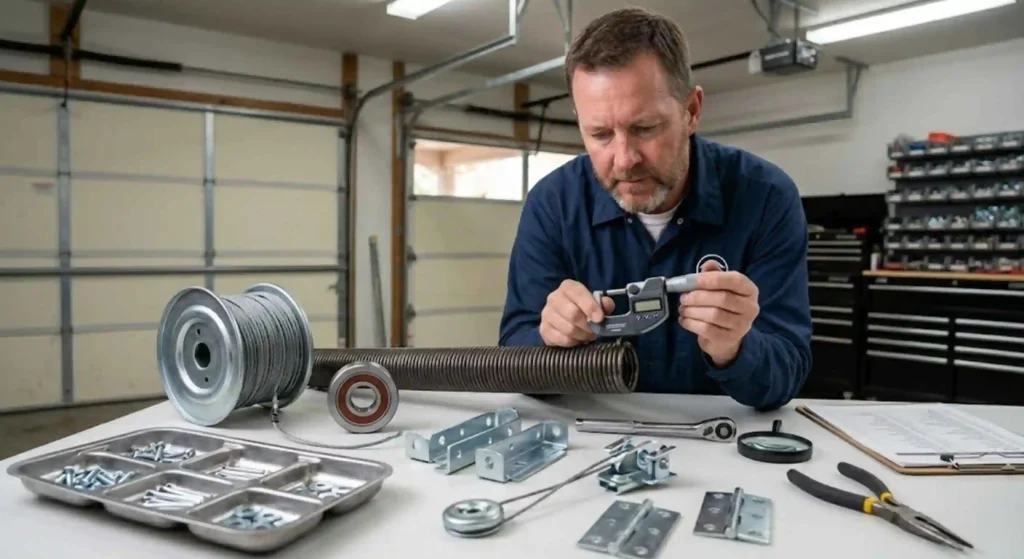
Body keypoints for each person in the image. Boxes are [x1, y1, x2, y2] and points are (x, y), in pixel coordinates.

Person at [497, 6, 812, 410]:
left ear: (692, 111)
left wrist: (735, 348)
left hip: (723, 445)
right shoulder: (552, 204)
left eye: (644, 128)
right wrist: (547, 337)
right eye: (600, 134)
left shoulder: (766, 198)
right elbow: (510, 358)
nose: (624, 159)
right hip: (590, 442)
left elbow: (788, 371)